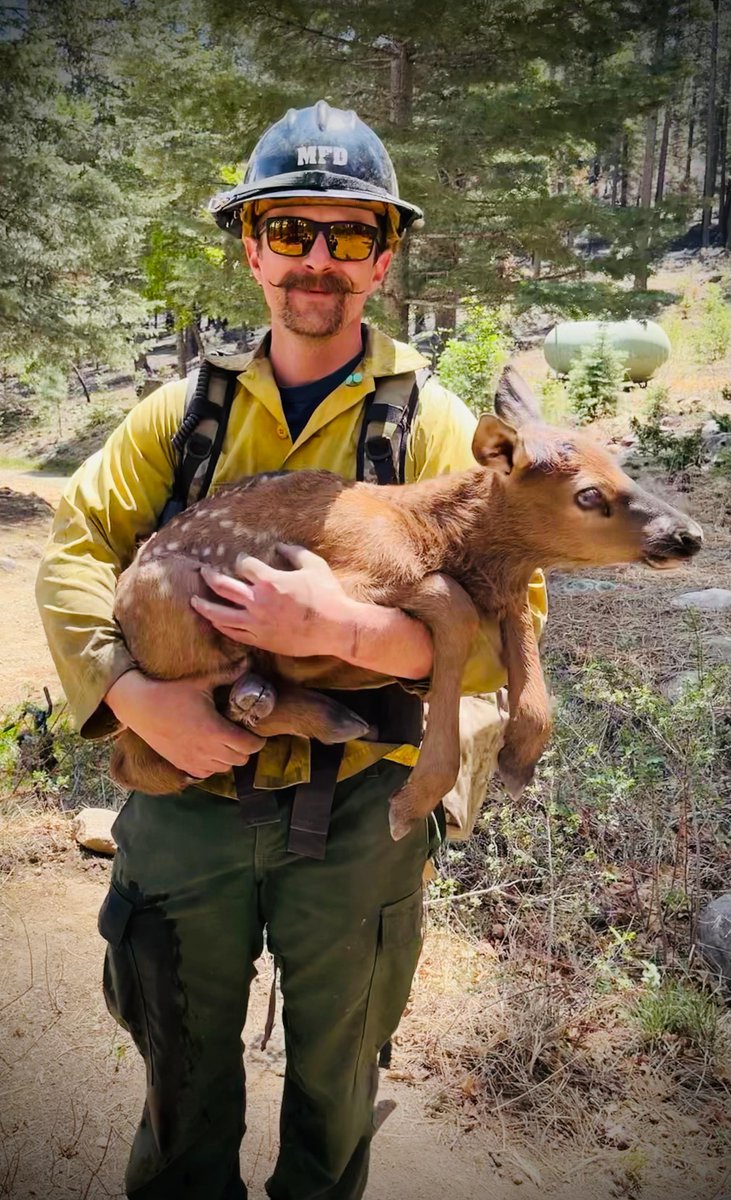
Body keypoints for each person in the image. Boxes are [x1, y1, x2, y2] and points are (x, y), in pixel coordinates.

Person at [36, 100, 547, 1200]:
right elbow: (75, 556)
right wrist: (135, 697)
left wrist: (343, 632)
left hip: (359, 813)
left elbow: (517, 622)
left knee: (337, 1085)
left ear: (382, 259)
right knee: (179, 1080)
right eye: (290, 232)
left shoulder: (440, 431)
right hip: (184, 804)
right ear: (251, 247)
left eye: (349, 236)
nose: (317, 261)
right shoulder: (183, 418)